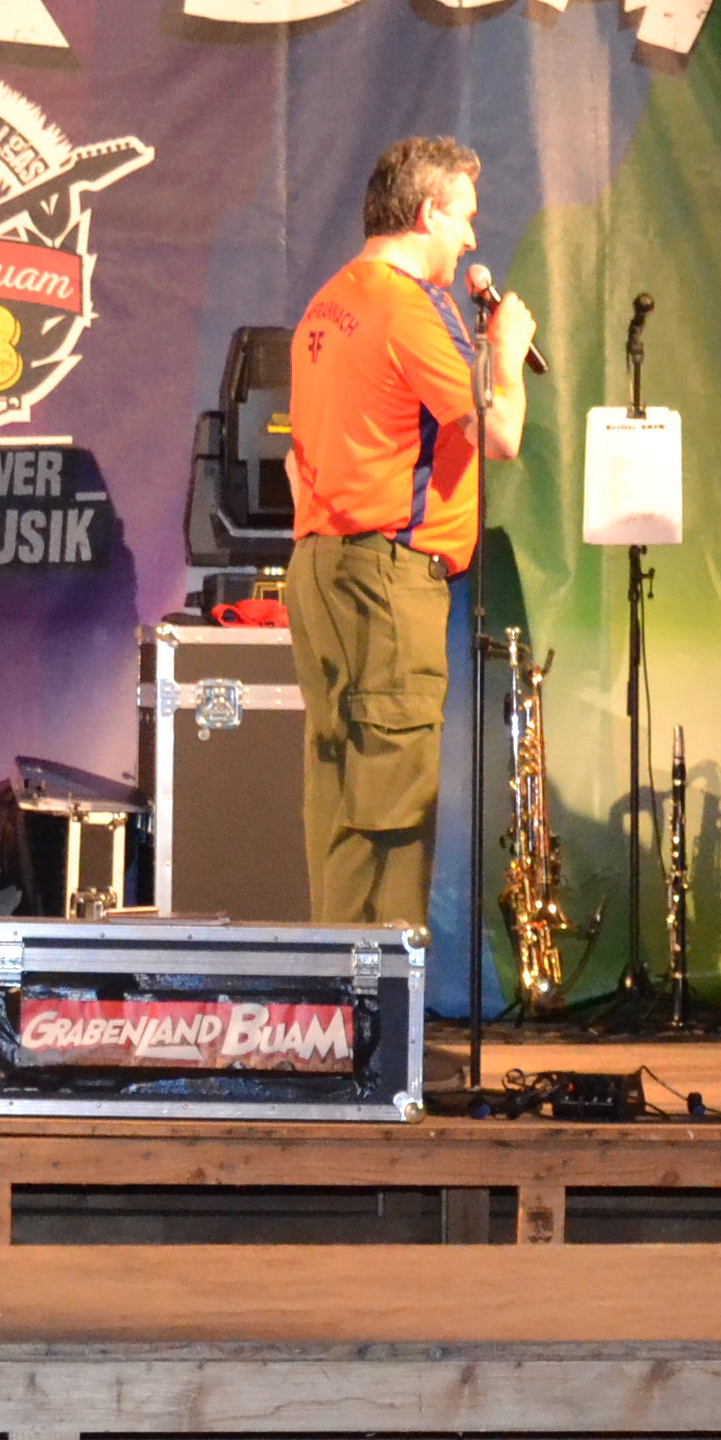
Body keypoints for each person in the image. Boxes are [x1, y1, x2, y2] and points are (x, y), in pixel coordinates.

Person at [285, 135, 533, 927]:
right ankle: (375, 997)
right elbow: (500, 432)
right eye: (464, 217)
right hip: (385, 582)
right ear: (427, 213)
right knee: (388, 821)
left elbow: (296, 459)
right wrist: (506, 352)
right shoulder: (408, 306)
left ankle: (340, 989)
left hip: (324, 569)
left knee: (344, 809)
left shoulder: (329, 302)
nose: (471, 238)